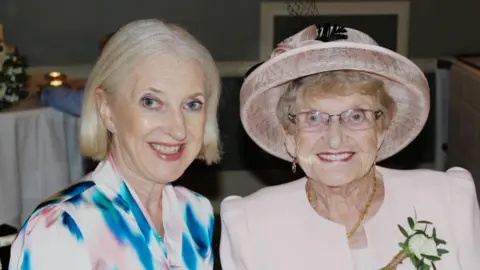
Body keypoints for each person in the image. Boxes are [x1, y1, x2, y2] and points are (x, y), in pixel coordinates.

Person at [220, 24, 480, 269]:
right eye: (313, 117)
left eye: (356, 116)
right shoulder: (251, 223)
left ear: (381, 129)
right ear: (289, 136)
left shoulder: (448, 199)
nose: (335, 139)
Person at [9, 19, 221, 270]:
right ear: (107, 109)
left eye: (192, 105)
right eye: (151, 102)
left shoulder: (194, 213)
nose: (177, 129)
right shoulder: (63, 228)